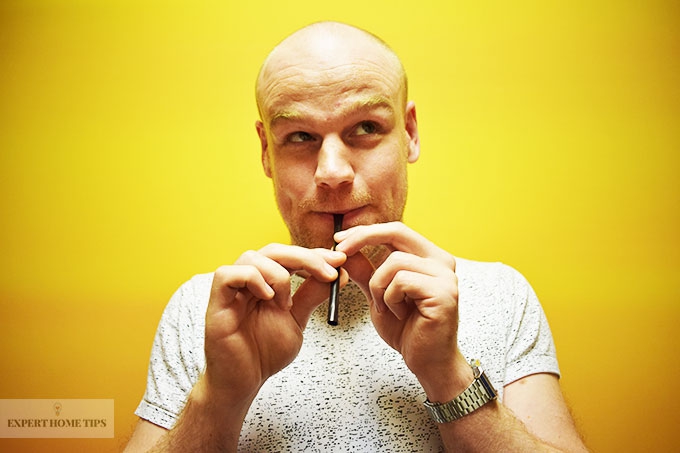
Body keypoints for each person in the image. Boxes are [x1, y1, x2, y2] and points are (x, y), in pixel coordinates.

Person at [124, 21, 588, 452]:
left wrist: (447, 374)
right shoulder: (202, 311)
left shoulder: (502, 296)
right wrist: (220, 396)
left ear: (408, 133)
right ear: (267, 151)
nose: (332, 173)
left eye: (366, 128)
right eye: (300, 136)